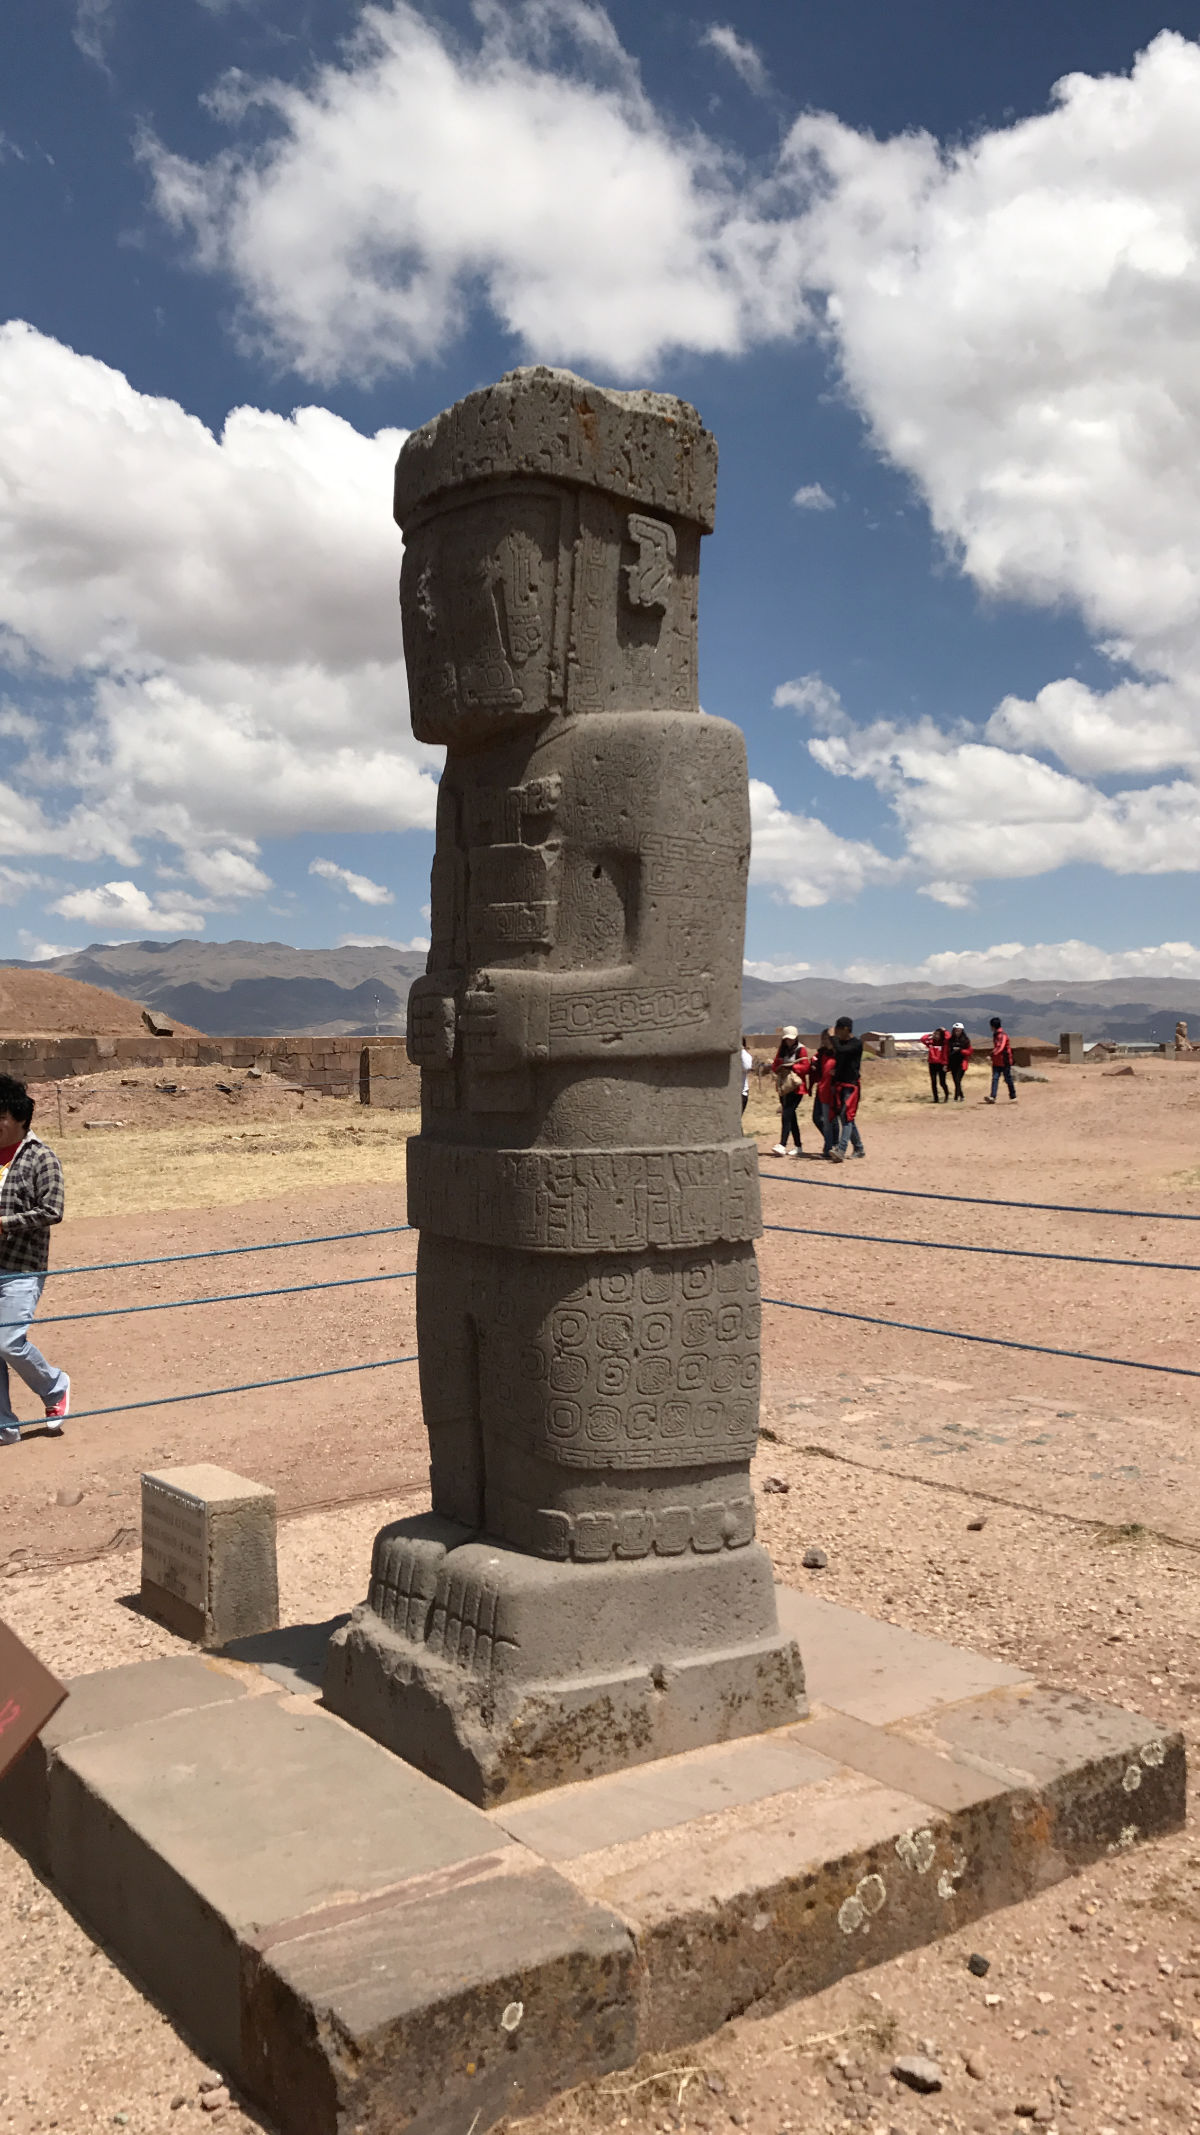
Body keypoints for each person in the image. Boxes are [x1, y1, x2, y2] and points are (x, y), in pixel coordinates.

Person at [0, 1075, 69, 1447]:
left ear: (20, 1118)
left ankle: (54, 1387)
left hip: (22, 1268)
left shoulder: (41, 1157)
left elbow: (52, 1209)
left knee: (8, 1342)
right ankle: (4, 1427)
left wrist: (5, 1225)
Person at [769, 1025, 809, 1157]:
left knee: (787, 1114)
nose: (789, 1041)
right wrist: (779, 1068)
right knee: (791, 1117)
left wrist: (792, 1067)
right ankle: (798, 1146)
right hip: (784, 1087)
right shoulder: (782, 1050)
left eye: (791, 1039)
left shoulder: (801, 1049)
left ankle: (782, 1144)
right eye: (787, 1039)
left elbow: (805, 1067)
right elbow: (775, 1065)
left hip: (796, 1088)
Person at [829, 1015, 865, 1161]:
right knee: (845, 1117)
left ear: (845, 1029)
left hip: (851, 1086)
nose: (836, 1032)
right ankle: (859, 1148)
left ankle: (841, 1150)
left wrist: (833, 1038)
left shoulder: (856, 1043)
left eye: (838, 1029)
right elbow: (839, 1060)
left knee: (847, 1116)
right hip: (840, 1084)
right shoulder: (841, 1044)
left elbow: (842, 1050)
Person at [811, 1029, 839, 1157]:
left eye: (827, 1038)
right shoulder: (821, 1053)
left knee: (832, 1119)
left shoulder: (838, 1053)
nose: (825, 1041)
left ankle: (832, 1146)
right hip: (822, 1088)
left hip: (832, 1089)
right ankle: (831, 1142)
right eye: (823, 1039)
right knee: (817, 1117)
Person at [984, 1016, 1017, 1103]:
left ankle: (1013, 1096)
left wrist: (991, 1055)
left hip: (1005, 1061)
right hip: (997, 1061)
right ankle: (993, 1097)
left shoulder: (1003, 1035)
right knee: (995, 1078)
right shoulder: (996, 1035)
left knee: (1008, 1079)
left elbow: (1000, 1047)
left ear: (993, 1026)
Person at [921, 1027, 950, 1103]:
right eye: (935, 1034)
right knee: (933, 1082)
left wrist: (945, 1030)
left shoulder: (944, 1043)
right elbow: (922, 1039)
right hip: (932, 1064)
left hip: (941, 1064)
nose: (936, 1036)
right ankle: (935, 1098)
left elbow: (949, 1037)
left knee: (942, 1082)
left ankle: (947, 1095)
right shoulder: (930, 1042)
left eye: (938, 1034)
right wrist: (930, 1034)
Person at [946, 1022, 973, 1102]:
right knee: (956, 1081)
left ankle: (955, 1098)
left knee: (958, 1080)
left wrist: (961, 1050)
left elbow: (969, 1051)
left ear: (962, 1031)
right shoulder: (950, 1040)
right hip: (952, 1062)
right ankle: (961, 1096)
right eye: (955, 1030)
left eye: (959, 1030)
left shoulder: (966, 1040)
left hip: (961, 1063)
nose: (957, 1032)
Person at [740, 1037, 753, 1116]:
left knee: (735, 1120)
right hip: (731, 1092)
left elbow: (746, 1066)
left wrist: (740, 1051)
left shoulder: (746, 1056)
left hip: (741, 1093)